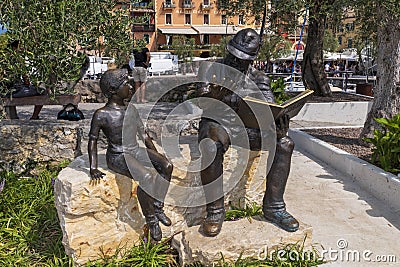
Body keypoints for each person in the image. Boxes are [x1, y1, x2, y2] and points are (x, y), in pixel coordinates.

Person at [197, 28, 299, 237]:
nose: (237, 61)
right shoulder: (211, 69)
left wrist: (279, 119)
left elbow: (270, 105)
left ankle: (274, 207)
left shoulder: (259, 78)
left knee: (285, 144)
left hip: (248, 128)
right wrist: (217, 92)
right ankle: (215, 211)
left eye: (243, 58)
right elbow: (200, 99)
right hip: (218, 123)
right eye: (234, 55)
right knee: (211, 145)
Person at [88, 69, 173, 241]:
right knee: (147, 177)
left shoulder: (131, 109)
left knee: (167, 166)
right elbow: (92, 141)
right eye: (126, 84)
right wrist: (93, 167)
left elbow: (145, 136)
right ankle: (151, 221)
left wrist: (155, 157)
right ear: (113, 90)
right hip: (118, 155)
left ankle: (157, 206)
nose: (130, 87)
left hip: (134, 150)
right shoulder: (101, 114)